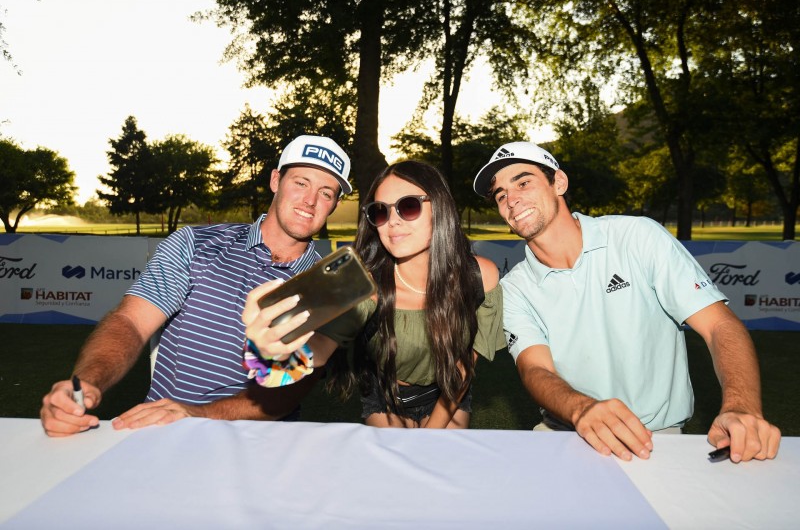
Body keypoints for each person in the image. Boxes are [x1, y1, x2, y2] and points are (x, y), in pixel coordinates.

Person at [473, 140, 781, 462]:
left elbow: (718, 325)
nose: (512, 200)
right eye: (501, 195)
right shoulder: (515, 288)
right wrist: (582, 409)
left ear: (559, 183)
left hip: (656, 438)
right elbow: (535, 369)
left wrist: (741, 407)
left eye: (523, 183)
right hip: (564, 432)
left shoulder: (638, 237)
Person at [40, 135, 352, 437]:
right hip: (165, 432)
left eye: (326, 193)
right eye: (301, 183)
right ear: (275, 181)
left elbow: (289, 390)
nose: (310, 200)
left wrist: (198, 414)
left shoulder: (327, 287)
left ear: (335, 204)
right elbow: (131, 321)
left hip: (261, 444)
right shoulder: (195, 244)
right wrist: (86, 383)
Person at [242, 160, 505, 428]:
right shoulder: (366, 288)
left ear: (439, 207)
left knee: (441, 452)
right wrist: (268, 355)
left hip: (448, 390)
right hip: (386, 396)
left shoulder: (479, 277)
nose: (393, 222)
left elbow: (463, 367)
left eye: (408, 206)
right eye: (380, 212)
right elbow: (318, 349)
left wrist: (431, 434)